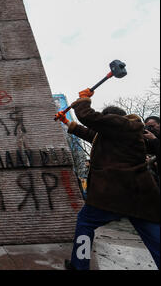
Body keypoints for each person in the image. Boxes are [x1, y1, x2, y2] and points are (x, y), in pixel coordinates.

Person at [59, 89, 160, 270]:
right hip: (141, 198)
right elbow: (91, 134)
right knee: (154, 236)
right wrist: (68, 122)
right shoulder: (121, 134)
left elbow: (88, 117)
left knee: (85, 222)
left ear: (112, 119)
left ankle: (79, 265)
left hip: (113, 194)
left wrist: (83, 100)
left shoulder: (122, 125)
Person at [144, 116, 160, 185]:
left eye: (152, 126)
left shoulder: (154, 139)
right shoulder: (150, 139)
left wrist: (154, 139)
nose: (151, 129)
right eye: (148, 127)